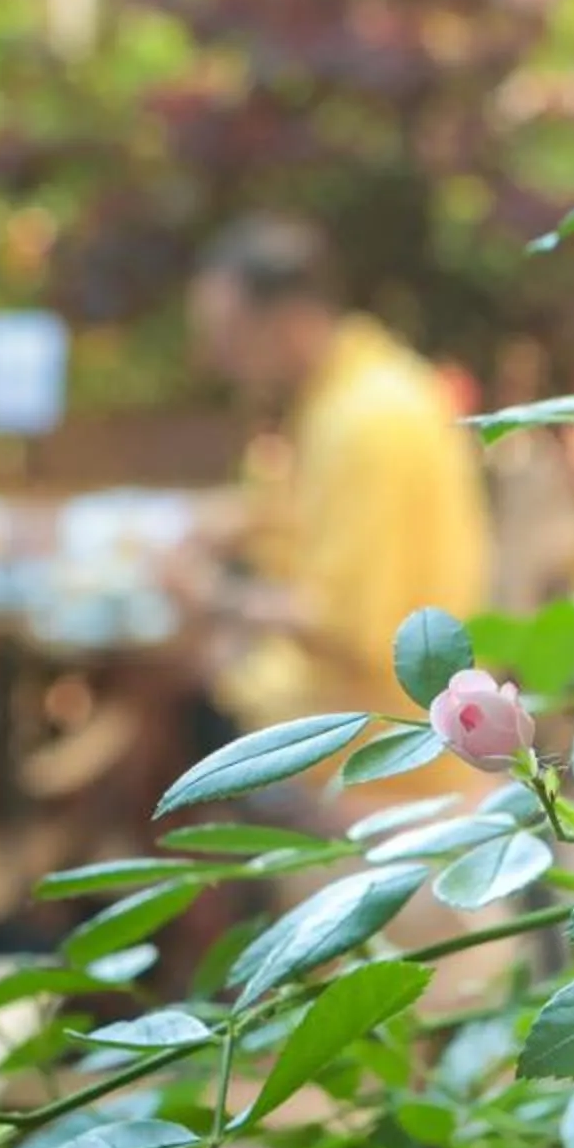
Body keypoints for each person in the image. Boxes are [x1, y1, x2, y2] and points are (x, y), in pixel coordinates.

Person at [180, 217, 492, 765]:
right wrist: (250, 518)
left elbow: (349, 630)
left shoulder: (363, 422)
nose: (219, 358)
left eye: (230, 335)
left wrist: (207, 594)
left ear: (290, 322)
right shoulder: (351, 391)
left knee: (169, 687)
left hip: (375, 738)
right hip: (367, 712)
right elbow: (319, 520)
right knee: (169, 684)